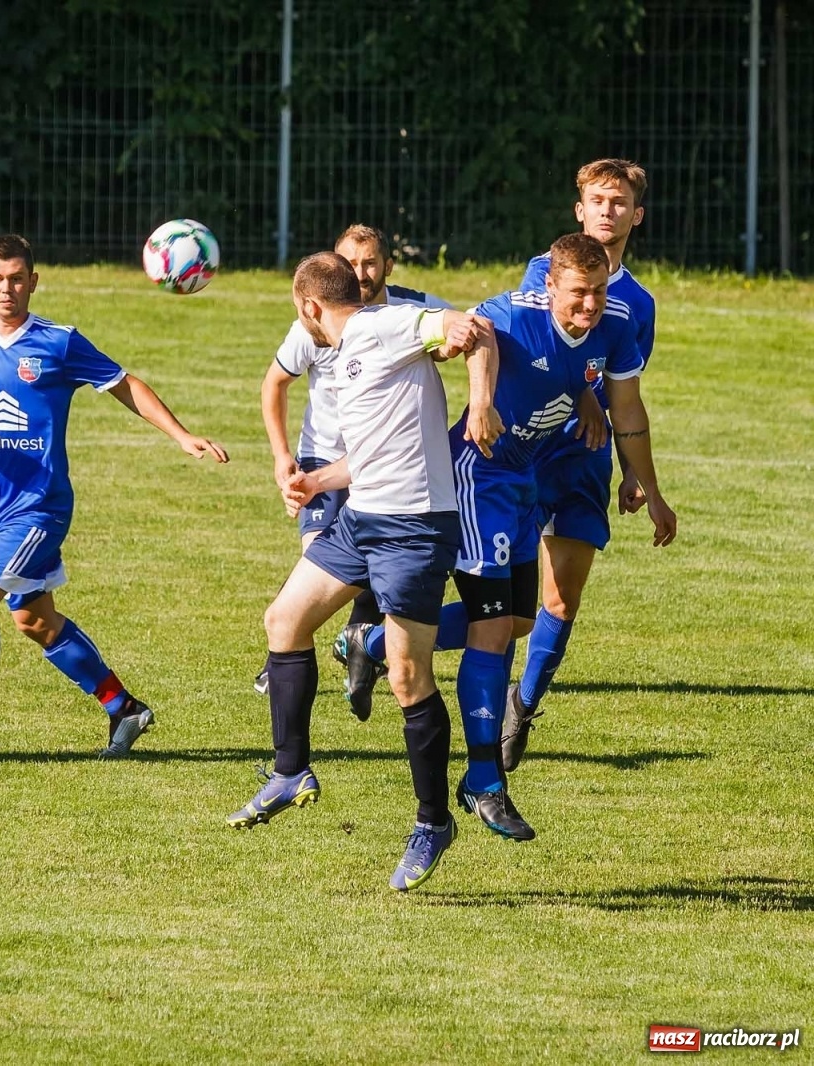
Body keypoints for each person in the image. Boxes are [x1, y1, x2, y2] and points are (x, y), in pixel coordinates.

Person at [343, 232, 673, 841]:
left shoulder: (614, 325)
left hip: (525, 476)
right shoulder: (513, 311)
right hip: (480, 471)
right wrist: (481, 400)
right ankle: (485, 782)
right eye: (578, 293)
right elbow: (478, 336)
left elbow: (626, 405)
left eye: (599, 292)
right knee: (493, 629)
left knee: (518, 620)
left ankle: (377, 641)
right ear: (550, 285)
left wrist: (647, 486)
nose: (589, 306)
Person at [0, 234, 228, 758]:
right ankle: (124, 708)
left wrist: (180, 435)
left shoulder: (58, 342)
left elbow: (123, 383)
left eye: (16, 278)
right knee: (35, 620)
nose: (6, 289)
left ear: (33, 282)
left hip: (40, 509)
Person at [226, 250, 500, 893]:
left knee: (407, 677)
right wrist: (315, 478)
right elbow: (377, 448)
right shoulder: (352, 348)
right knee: (285, 619)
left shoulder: (385, 324)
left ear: (309, 307)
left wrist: (476, 385)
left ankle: (433, 822)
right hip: (360, 517)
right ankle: (291, 771)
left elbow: (474, 328)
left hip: (412, 528)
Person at [503, 159, 666, 768]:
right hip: (524, 450)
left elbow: (626, 392)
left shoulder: (638, 305)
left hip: (584, 461)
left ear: (636, 215)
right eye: (597, 200)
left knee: (561, 600)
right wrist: (582, 395)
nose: (607, 211)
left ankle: (521, 708)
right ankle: (377, 638)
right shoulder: (544, 272)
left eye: (619, 202)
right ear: (579, 209)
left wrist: (639, 478)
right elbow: (534, 352)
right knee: (502, 603)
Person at [258, 224, 451, 717]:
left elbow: (464, 332)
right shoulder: (315, 318)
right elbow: (274, 384)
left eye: (370, 263)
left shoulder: (410, 310)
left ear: (387, 265)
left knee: (372, 562)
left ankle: (362, 641)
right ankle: (291, 650)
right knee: (320, 562)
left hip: (391, 464)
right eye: (350, 265)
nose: (360, 274)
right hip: (326, 459)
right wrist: (284, 456)